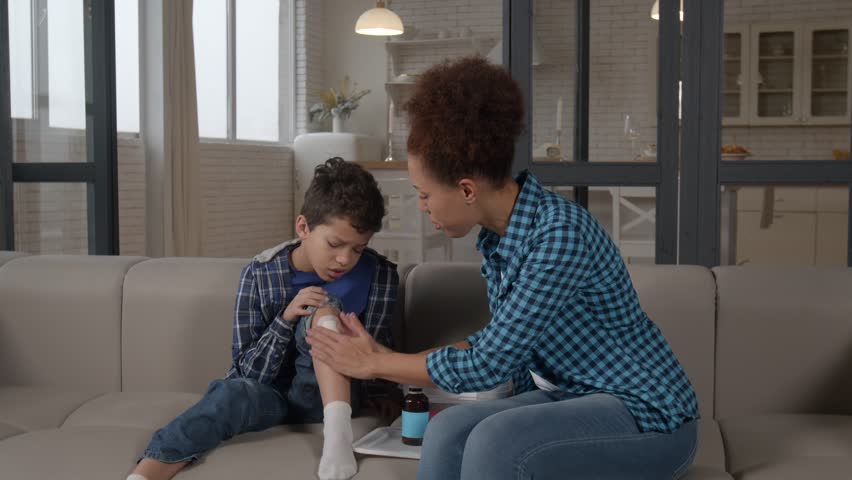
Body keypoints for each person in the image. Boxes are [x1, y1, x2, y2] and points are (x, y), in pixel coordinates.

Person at [306, 57, 700, 479]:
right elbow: (496, 344)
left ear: (466, 190)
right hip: (572, 397)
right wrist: (387, 355)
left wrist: (375, 365)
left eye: (424, 195)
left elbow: (487, 365)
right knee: (448, 431)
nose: (422, 208)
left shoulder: (560, 233)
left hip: (647, 413)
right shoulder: (499, 240)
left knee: (495, 441)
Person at [128, 158, 400, 480]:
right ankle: (144, 475)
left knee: (324, 307)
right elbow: (245, 370)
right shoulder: (259, 274)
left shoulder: (380, 275)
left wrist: (384, 395)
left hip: (327, 395)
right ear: (303, 227)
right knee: (228, 394)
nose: (345, 259)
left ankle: (337, 434)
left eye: (358, 249)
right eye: (335, 244)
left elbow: (376, 350)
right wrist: (285, 319)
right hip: (268, 397)